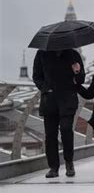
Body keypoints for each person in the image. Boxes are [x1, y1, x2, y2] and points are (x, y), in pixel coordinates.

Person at [32, 49, 85, 178]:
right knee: (50, 135)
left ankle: (69, 163)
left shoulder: (73, 54)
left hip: (68, 100)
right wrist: (45, 88)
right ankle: (53, 167)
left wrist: (77, 71)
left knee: (66, 130)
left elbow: (81, 80)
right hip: (49, 101)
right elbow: (36, 76)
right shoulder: (42, 54)